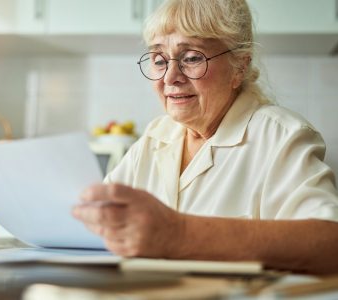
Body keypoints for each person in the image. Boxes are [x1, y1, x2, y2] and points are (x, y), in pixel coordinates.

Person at [72, 0, 338, 274]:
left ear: (239, 68)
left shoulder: (281, 136)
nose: (170, 77)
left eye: (192, 58)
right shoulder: (155, 137)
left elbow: (329, 245)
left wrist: (178, 234)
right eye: (159, 60)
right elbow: (96, 226)